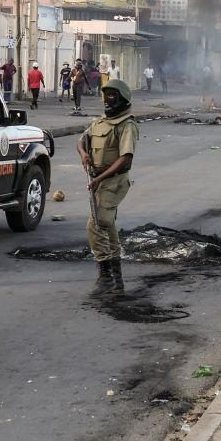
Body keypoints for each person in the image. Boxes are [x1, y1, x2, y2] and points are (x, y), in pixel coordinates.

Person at [77, 78, 138, 297]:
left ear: (122, 99)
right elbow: (82, 141)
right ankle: (117, 281)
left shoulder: (127, 125)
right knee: (108, 226)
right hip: (99, 179)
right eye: (106, 95)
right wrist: (84, 154)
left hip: (114, 181)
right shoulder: (99, 122)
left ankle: (105, 278)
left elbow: (125, 159)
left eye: (113, 96)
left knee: (96, 224)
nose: (108, 100)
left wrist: (100, 177)